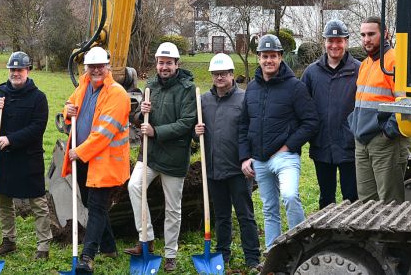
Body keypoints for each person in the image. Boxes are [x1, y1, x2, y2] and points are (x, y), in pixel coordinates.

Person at [238, 34, 319, 248]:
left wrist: (288, 146)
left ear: (280, 57)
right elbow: (244, 124)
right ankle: (273, 254)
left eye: (273, 56)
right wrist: (245, 156)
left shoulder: (295, 87)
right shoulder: (252, 88)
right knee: (269, 208)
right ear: (258, 58)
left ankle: (301, 247)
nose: (269, 61)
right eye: (265, 56)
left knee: (290, 196)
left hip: (285, 157)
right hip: (260, 159)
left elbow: (310, 122)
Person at [124, 41, 197, 272]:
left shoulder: (187, 89)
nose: (164, 67)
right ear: (156, 64)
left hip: (174, 156)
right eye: (160, 62)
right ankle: (146, 238)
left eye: (168, 63)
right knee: (134, 186)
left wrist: (156, 132)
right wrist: (139, 114)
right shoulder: (151, 85)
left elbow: (187, 123)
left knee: (173, 208)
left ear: (177, 64)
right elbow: (137, 117)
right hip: (150, 154)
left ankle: (171, 254)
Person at [63, 47, 131, 273]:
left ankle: (87, 258)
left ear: (108, 67)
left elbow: (104, 133)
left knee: (96, 207)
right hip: (83, 159)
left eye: (100, 66)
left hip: (104, 161)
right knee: (92, 205)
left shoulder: (117, 94)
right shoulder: (83, 84)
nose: (96, 70)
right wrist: (67, 110)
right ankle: (110, 247)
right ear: (86, 68)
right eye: (92, 66)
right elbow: (70, 105)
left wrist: (79, 152)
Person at [194, 53, 262, 270]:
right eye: (216, 74)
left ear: (232, 75)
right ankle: (223, 254)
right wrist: (196, 132)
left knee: (245, 214)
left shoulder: (244, 99)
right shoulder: (203, 101)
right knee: (221, 215)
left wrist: (249, 158)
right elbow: (196, 134)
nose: (219, 77)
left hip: (238, 168)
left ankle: (252, 258)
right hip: (213, 168)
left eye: (223, 73)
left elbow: (253, 131)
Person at [0, 51, 52, 260]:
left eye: (19, 69)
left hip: (28, 159)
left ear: (28, 71)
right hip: (3, 159)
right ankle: (9, 240)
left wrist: (10, 139)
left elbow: (37, 128)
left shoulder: (38, 97)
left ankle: (43, 246)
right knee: (3, 201)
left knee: (38, 204)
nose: (15, 73)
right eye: (12, 70)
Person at [348, 18, 411, 202]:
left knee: (390, 204)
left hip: (385, 143)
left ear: (385, 34)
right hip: (363, 141)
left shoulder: (395, 61)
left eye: (371, 34)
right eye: (363, 35)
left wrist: (388, 133)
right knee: (367, 203)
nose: (366, 39)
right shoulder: (366, 64)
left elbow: (406, 102)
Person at [301, 20, 360, 208]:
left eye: (339, 40)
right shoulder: (311, 72)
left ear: (346, 41)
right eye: (330, 40)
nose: (334, 45)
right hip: (322, 146)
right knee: (326, 199)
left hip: (349, 146)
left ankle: (352, 235)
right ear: (324, 42)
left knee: (352, 197)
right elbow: (301, 106)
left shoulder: (359, 70)